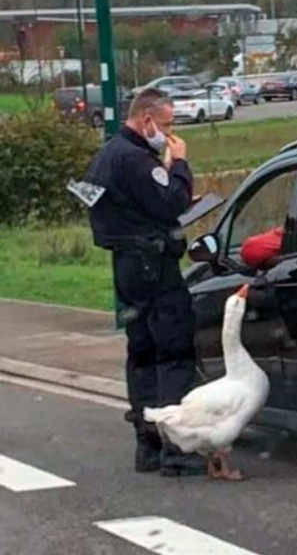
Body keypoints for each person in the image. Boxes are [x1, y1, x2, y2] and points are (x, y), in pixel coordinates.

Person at [83, 88, 204, 477]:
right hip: (155, 267)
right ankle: (178, 450)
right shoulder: (137, 160)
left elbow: (118, 208)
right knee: (173, 354)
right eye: (166, 126)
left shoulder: (107, 155)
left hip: (127, 267)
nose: (169, 136)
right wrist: (180, 166)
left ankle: (148, 445)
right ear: (146, 118)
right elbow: (171, 204)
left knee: (142, 356)